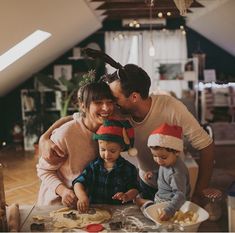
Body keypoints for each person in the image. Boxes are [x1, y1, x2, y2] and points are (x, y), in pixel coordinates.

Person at [39, 49, 214, 204]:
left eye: (114, 99)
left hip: (173, 185)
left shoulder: (171, 108)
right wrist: (45, 137)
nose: (109, 107)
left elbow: (205, 145)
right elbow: (80, 117)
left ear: (134, 97)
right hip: (144, 184)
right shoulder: (118, 111)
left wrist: (200, 192)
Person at [36, 81, 115, 206]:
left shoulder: (110, 130)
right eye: (98, 103)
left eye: (110, 102)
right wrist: (63, 191)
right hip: (58, 204)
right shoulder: (66, 133)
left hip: (89, 203)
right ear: (83, 106)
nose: (106, 108)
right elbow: (43, 170)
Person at [72, 118, 139, 212]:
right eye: (103, 150)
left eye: (112, 151)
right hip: (95, 211)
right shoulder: (93, 166)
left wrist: (126, 195)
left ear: (121, 148)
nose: (107, 155)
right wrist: (82, 197)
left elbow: (135, 189)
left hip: (120, 212)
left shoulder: (128, 168)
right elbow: (78, 183)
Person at [135, 123, 190, 221]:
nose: (159, 161)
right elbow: (164, 175)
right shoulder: (167, 163)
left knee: (150, 216)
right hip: (161, 198)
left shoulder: (176, 173)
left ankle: (145, 203)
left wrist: (169, 210)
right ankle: (146, 202)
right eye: (155, 156)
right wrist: (154, 174)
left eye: (163, 157)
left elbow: (180, 195)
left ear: (177, 152)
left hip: (171, 206)